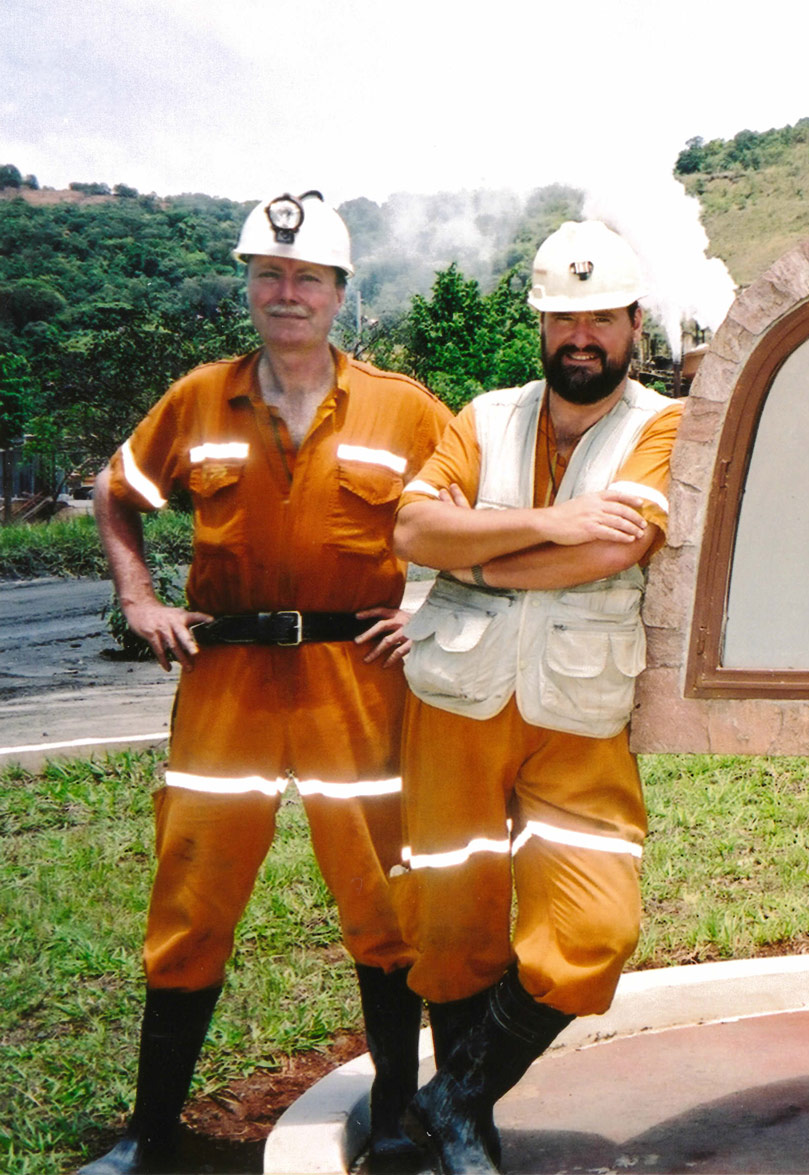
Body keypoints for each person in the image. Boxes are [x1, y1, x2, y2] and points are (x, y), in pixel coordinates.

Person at [84, 191, 451, 1174]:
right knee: (192, 891)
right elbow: (117, 491)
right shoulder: (199, 399)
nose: (288, 292)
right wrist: (138, 598)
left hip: (354, 677)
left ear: (340, 293)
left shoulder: (403, 407)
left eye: (308, 278)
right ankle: (149, 1133)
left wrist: (436, 607)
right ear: (249, 285)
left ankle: (392, 1117)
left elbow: (479, 508)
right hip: (228, 679)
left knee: (384, 894)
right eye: (270, 275)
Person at [390, 219, 683, 1174]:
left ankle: (453, 1095)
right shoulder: (483, 417)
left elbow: (617, 547)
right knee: (451, 921)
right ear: (542, 327)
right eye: (564, 318)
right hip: (456, 698)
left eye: (601, 318)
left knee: (595, 926)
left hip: (578, 713)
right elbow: (412, 532)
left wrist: (476, 553)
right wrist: (555, 523)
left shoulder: (662, 425)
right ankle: (466, 1129)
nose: (581, 336)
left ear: (635, 324)